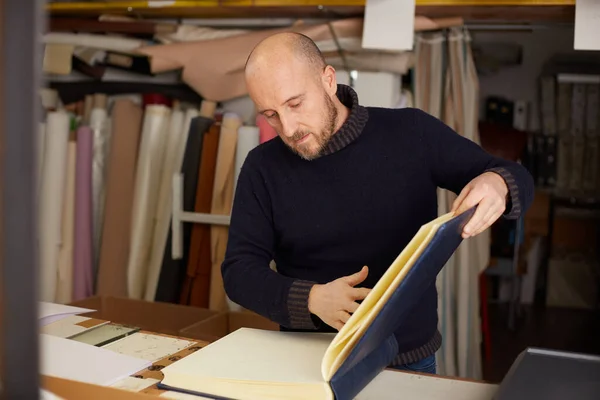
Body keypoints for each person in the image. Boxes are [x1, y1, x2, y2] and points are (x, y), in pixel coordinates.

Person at [221, 32, 534, 375]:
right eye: (271, 114)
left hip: (407, 359)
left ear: (328, 80)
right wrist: (311, 299)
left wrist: (498, 183)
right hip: (307, 360)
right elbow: (239, 272)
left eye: (295, 104)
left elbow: (513, 174)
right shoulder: (261, 167)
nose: (289, 127)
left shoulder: (411, 132)